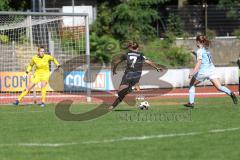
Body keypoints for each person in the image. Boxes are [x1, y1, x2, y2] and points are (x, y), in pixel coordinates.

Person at [184, 35, 238, 108]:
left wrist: (193, 73)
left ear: (198, 42)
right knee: (219, 87)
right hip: (211, 71)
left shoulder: (199, 51)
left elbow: (199, 62)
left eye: (196, 41)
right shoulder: (206, 50)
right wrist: (194, 53)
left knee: (192, 84)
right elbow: (204, 58)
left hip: (203, 72)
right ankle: (231, 93)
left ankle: (191, 103)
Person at [108, 42, 163, 110]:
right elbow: (148, 62)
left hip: (127, 75)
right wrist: (156, 67)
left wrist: (114, 70)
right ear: (137, 48)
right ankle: (113, 105)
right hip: (136, 74)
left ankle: (129, 91)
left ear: (131, 47)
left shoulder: (127, 54)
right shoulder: (140, 54)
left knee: (120, 93)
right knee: (123, 93)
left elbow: (116, 62)